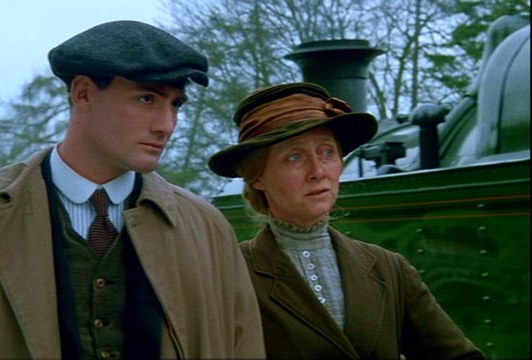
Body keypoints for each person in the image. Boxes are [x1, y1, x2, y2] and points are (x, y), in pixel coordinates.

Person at [0, 21, 265, 359]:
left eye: (176, 104)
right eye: (147, 99)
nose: (166, 125)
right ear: (83, 94)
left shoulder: (206, 229)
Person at [208, 82, 485, 359]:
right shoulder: (231, 275)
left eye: (327, 152)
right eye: (295, 157)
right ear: (257, 177)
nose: (318, 171)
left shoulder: (389, 270)